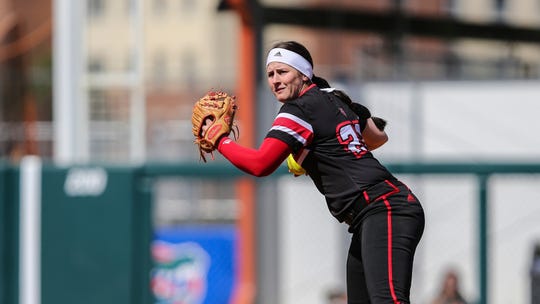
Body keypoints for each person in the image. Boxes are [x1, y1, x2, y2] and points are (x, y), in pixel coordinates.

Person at [207, 40, 425, 303]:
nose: (275, 80)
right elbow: (378, 137)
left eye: (283, 71)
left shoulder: (298, 109)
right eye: (270, 74)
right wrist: (324, 140)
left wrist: (221, 141)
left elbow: (260, 164)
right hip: (374, 212)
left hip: (385, 207)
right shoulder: (335, 99)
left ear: (303, 73)